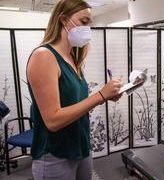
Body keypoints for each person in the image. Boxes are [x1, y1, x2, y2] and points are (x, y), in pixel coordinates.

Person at [26, 0, 123, 179]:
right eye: (83, 22)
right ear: (63, 20)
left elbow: (76, 105)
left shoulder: (72, 59)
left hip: (81, 146)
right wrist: (101, 95)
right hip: (56, 154)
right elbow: (53, 120)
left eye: (89, 23)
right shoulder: (44, 56)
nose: (88, 29)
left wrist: (108, 95)